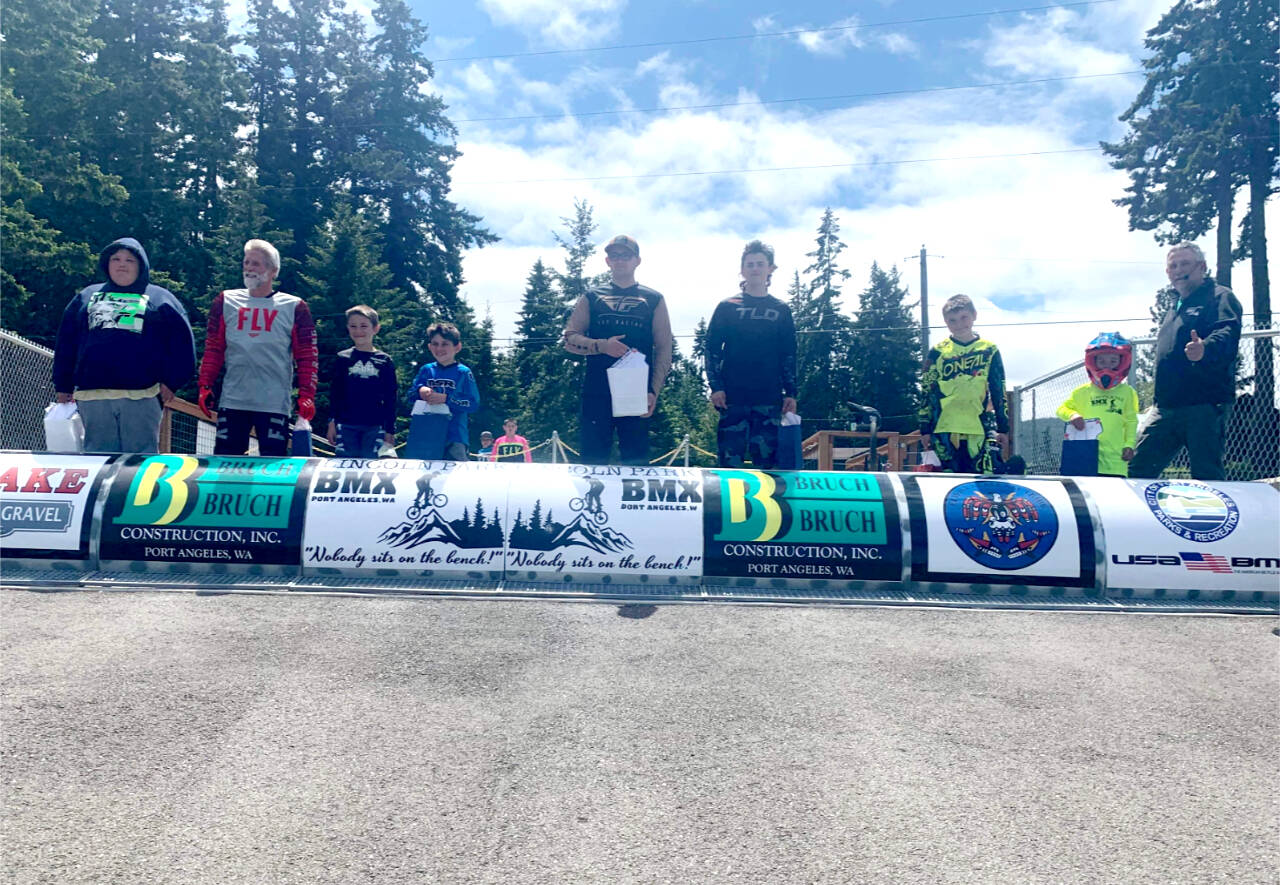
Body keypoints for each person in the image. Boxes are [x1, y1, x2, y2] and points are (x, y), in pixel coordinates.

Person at [52, 238, 195, 453]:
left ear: (141, 265)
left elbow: (182, 344)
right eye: (116, 259)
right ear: (106, 264)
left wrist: (173, 381)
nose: (122, 264)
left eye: (130, 260)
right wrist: (62, 385)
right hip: (93, 397)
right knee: (97, 459)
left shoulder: (160, 298)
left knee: (139, 464)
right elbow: (66, 342)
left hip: (141, 396)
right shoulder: (86, 296)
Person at [1129, 243, 1243, 481]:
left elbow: (1227, 333)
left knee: (1207, 475)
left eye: (1185, 264)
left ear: (1202, 267)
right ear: (1168, 272)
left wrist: (1205, 349)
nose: (1179, 270)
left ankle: (1215, 518)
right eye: (1173, 266)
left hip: (1204, 405)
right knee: (1137, 470)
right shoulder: (1176, 305)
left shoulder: (1220, 296)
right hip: (1166, 407)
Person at [197, 239, 317, 456]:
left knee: (273, 468)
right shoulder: (225, 300)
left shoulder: (294, 306)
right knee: (225, 465)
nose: (250, 268)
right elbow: (214, 347)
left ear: (273, 271)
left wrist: (306, 395)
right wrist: (205, 384)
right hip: (233, 399)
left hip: (273, 402)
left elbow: (307, 356)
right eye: (246, 262)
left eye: (257, 264)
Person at [562, 235, 673, 465]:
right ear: (607, 261)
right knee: (592, 463)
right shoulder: (592, 297)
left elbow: (664, 348)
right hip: (596, 392)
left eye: (626, 255)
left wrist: (653, 390)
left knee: (637, 465)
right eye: (615, 255)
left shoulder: (654, 299)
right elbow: (570, 339)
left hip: (636, 394)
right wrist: (602, 346)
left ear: (637, 260)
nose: (620, 260)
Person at [704, 239, 798, 469]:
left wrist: (791, 393)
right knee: (729, 465)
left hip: (769, 399)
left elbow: (789, 354)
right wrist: (716, 386)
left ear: (770, 269)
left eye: (760, 264)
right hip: (732, 400)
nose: (755, 268)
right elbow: (712, 348)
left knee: (768, 467)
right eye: (750, 264)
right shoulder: (728, 306)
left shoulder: (781, 310)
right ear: (742, 270)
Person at [918, 294, 1009, 473]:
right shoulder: (937, 352)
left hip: (977, 427)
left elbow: (999, 389)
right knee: (947, 480)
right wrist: (924, 429)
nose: (959, 324)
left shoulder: (989, 350)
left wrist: (1003, 428)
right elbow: (927, 391)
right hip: (943, 428)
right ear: (945, 322)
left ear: (974, 315)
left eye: (963, 318)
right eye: (952, 320)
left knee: (977, 480)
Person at [1056, 332, 1139, 477]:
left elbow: (1131, 421)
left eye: (1113, 362)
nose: (1107, 366)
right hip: (1084, 458)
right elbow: (1061, 409)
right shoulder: (1081, 392)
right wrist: (1073, 415)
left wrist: (1129, 445)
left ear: (1122, 362)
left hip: (1115, 462)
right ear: (1093, 362)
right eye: (1102, 362)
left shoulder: (1127, 392)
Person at [325, 305, 397, 458]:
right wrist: (331, 422)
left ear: (375, 328)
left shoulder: (384, 361)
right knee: (345, 466)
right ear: (348, 328)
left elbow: (391, 398)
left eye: (364, 326)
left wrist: (390, 430)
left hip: (375, 425)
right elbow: (335, 393)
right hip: (346, 424)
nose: (358, 331)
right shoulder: (342, 358)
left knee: (371, 468)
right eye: (353, 326)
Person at [405, 322, 480, 461]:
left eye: (445, 344)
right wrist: (420, 390)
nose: (439, 348)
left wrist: (447, 399)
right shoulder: (426, 370)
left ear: (457, 347)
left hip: (454, 436)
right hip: (425, 435)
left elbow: (473, 403)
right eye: (435, 344)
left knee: (456, 478)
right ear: (429, 346)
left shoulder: (464, 372)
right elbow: (409, 396)